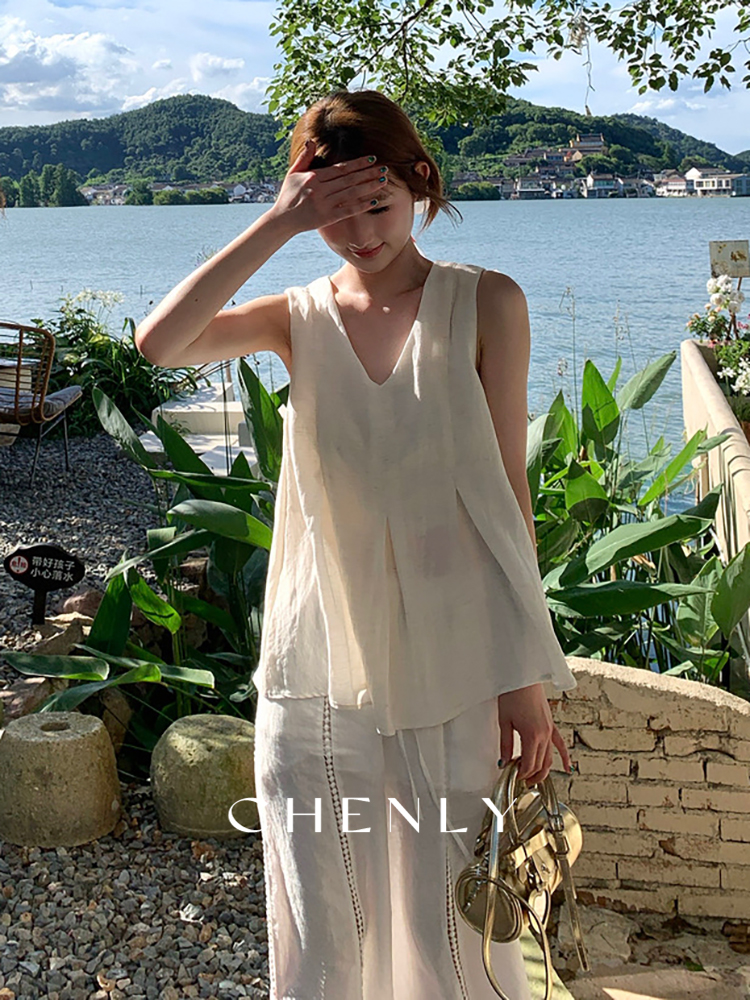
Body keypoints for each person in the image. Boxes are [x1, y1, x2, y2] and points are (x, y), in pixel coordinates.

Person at [135, 88, 578, 1000]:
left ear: (419, 183)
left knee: (449, 914)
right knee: (323, 906)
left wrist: (523, 674)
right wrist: (278, 223)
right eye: (333, 211)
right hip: (317, 659)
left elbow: (509, 493)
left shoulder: (486, 301)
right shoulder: (296, 316)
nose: (360, 232)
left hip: (456, 654)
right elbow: (161, 344)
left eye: (376, 203)